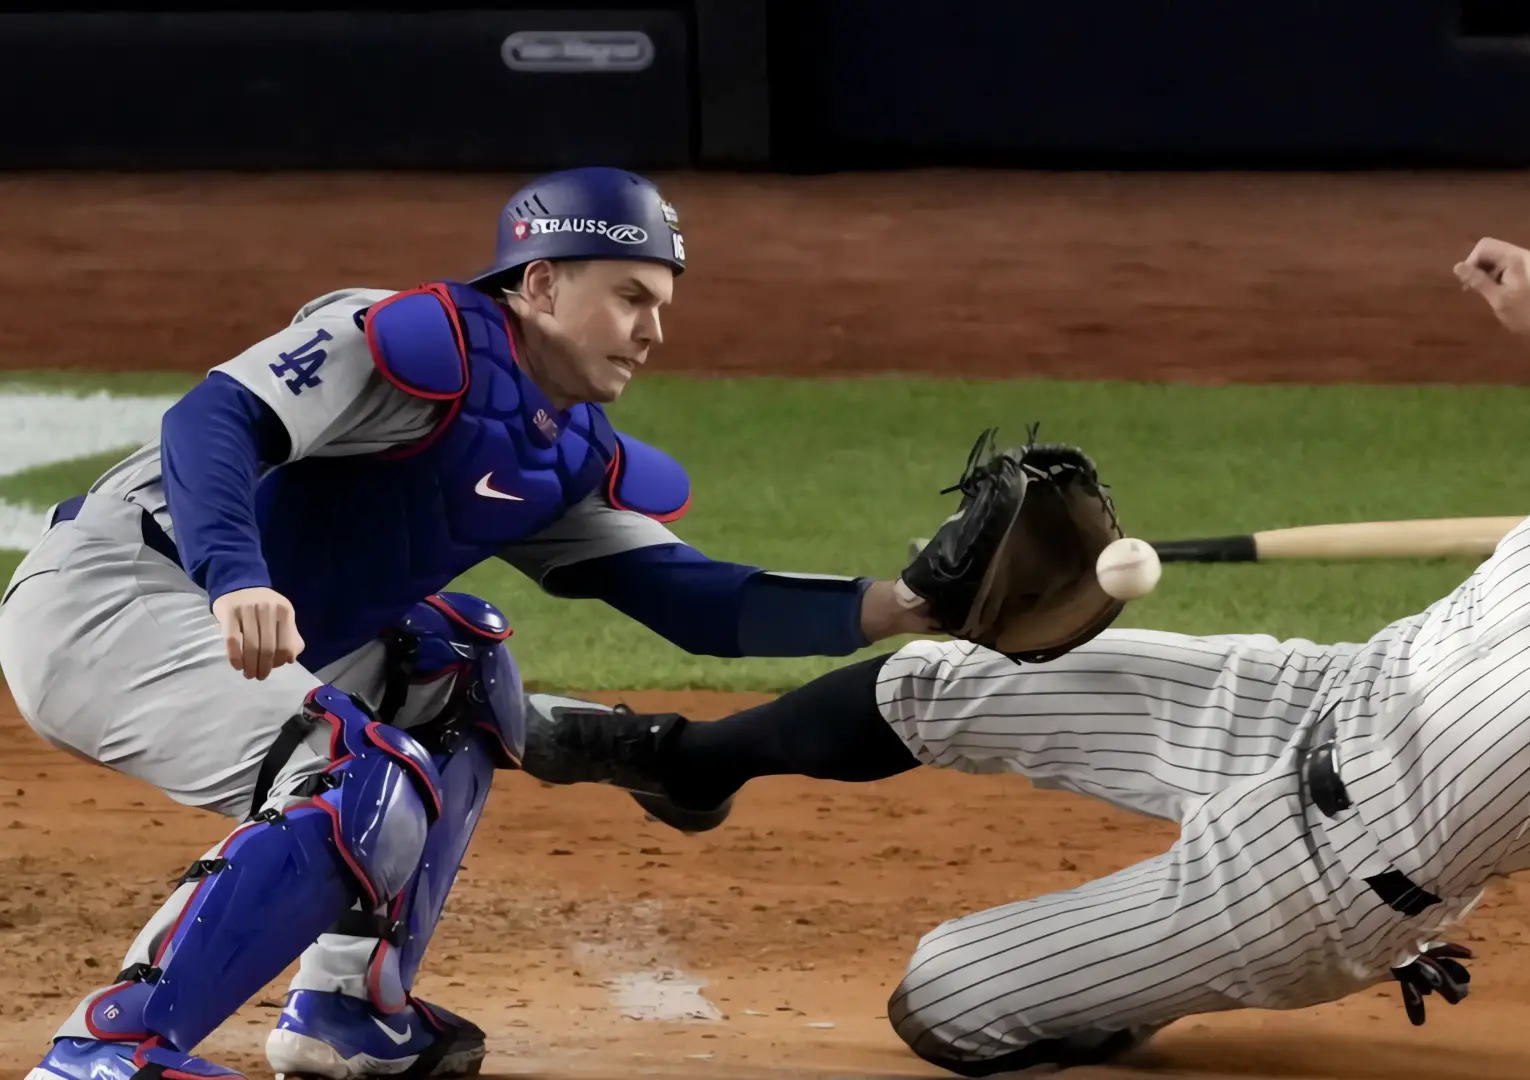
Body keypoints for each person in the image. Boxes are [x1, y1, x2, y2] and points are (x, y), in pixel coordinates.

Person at [603, 238, 1530, 1080]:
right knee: (937, 677)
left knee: (945, 999)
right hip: (1314, 694)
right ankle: (694, 764)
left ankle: (1140, 987)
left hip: (1329, 881)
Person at [0, 166, 932, 1080]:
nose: (652, 332)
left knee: (460, 664)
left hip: (224, 626)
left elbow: (698, 599)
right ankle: (111, 1049)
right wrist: (235, 576)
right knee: (357, 776)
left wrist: (899, 603)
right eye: (630, 297)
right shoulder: (398, 340)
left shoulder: (558, 447)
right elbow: (216, 420)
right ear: (542, 283)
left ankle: (348, 1006)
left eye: (662, 306)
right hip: (111, 599)